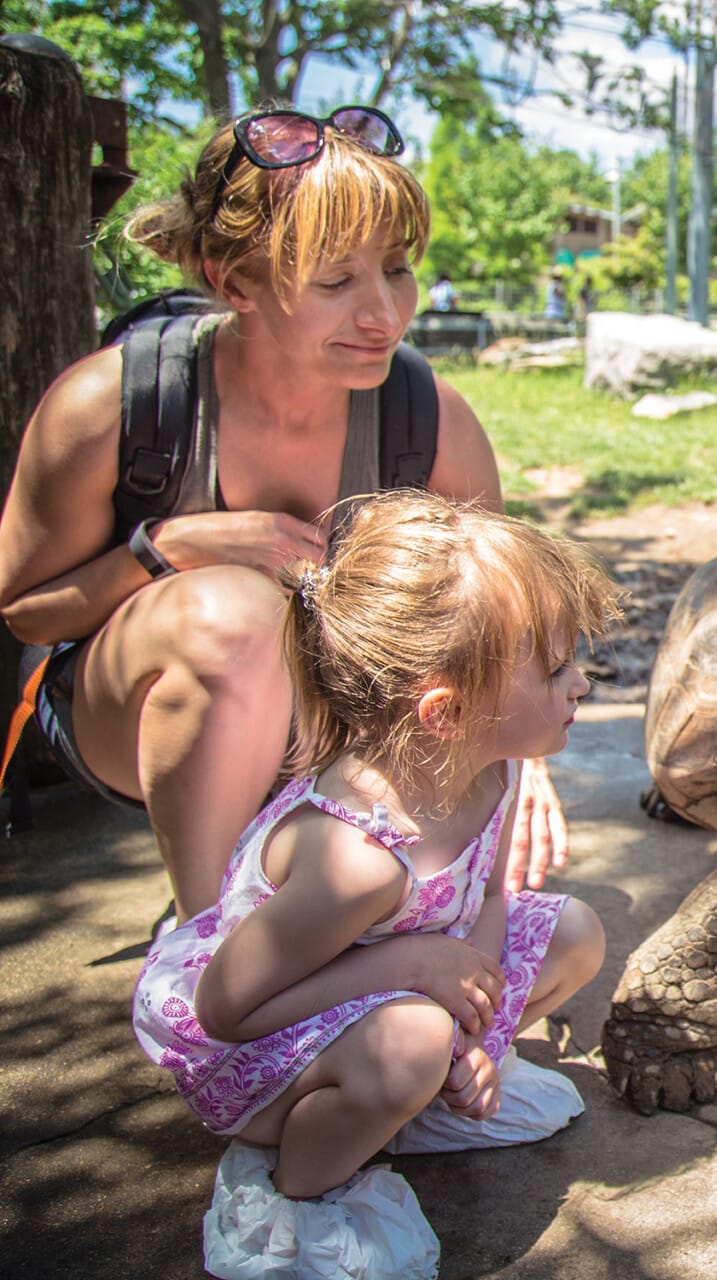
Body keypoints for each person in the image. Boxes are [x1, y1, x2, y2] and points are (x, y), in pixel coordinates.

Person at [0, 104, 573, 921]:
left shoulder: (429, 416)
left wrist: (529, 762)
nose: (385, 314)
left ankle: (339, 904)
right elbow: (24, 613)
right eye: (337, 281)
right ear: (234, 282)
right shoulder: (109, 405)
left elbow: (502, 624)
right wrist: (169, 546)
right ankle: (210, 941)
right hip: (132, 719)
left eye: (399, 269)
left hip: (329, 725)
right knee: (235, 615)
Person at [132, 489, 618, 1278]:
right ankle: (297, 1182)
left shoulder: (498, 764)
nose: (581, 686)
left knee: (576, 934)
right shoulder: (356, 859)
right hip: (256, 1053)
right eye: (557, 668)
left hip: (395, 996)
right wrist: (411, 971)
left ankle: (406, 1093)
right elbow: (225, 1009)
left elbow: (491, 900)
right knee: (411, 1040)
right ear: (446, 711)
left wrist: (477, 1037)